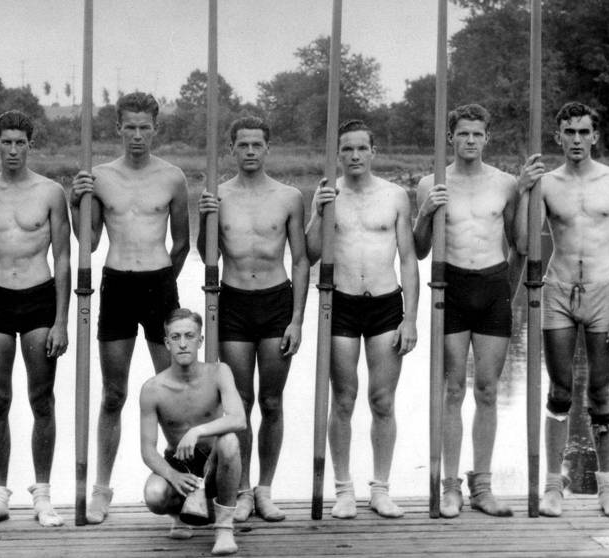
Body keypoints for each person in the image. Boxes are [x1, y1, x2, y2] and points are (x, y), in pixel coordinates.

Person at [69, 92, 190, 523]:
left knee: (172, 393)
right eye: (130, 127)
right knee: (114, 393)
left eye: (145, 127)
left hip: (159, 284)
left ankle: (182, 491)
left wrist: (164, 285)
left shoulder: (173, 177)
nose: (137, 135)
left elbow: (182, 243)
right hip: (117, 282)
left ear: (155, 128)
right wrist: (74, 201)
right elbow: (90, 242)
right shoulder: (99, 177)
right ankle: (102, 490)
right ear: (117, 128)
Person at [517, 102, 609, 518]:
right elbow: (522, 242)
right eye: (569, 132)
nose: (577, 141)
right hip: (559, 290)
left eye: (584, 132)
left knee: (601, 390)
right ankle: (554, 485)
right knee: (560, 389)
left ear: (596, 136)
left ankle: (608, 486)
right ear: (557, 137)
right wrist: (523, 189)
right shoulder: (547, 184)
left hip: (605, 289)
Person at [0, 111, 70, 528]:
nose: (13, 150)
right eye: (6, 142)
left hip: (40, 298)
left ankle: (42, 495)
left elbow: (62, 256)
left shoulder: (51, 192)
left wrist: (62, 320)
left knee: (42, 398)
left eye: (21, 142)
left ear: (30, 144)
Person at [412, 104, 526, 517]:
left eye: (477, 134)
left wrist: (528, 192)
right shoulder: (431, 183)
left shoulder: (506, 183)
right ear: (451, 138)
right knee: (454, 389)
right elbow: (421, 249)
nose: (470, 141)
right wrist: (425, 212)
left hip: (493, 287)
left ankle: (483, 487)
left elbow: (521, 243)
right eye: (463, 134)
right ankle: (450, 487)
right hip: (452, 287)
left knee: (489, 391)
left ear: (487, 138)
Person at [196, 116, 308, 522]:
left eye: (256, 145)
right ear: (231, 149)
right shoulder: (218, 195)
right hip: (235, 302)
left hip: (277, 302)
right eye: (242, 145)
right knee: (239, 401)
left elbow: (300, 259)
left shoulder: (289, 196)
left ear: (267, 148)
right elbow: (204, 251)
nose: (249, 152)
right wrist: (206, 216)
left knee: (272, 401)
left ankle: (265, 490)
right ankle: (240, 491)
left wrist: (297, 318)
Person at [306, 119, 418, 519]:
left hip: (386, 304)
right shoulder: (328, 193)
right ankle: (342, 489)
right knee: (344, 399)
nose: (354, 156)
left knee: (383, 400)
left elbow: (408, 257)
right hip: (342, 303)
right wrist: (320, 213)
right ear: (338, 154)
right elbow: (312, 251)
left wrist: (411, 317)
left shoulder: (395, 196)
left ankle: (381, 488)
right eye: (347, 149)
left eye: (361, 149)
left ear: (373, 152)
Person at [140, 308, 245, 556]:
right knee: (154, 495)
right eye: (175, 337)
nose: (183, 344)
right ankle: (180, 515)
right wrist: (172, 475)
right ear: (166, 343)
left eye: (189, 335)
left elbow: (239, 419)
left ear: (200, 340)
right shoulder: (153, 388)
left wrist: (198, 431)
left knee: (229, 440)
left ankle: (223, 528)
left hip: (214, 464)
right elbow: (147, 449)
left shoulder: (219, 372)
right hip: (180, 466)